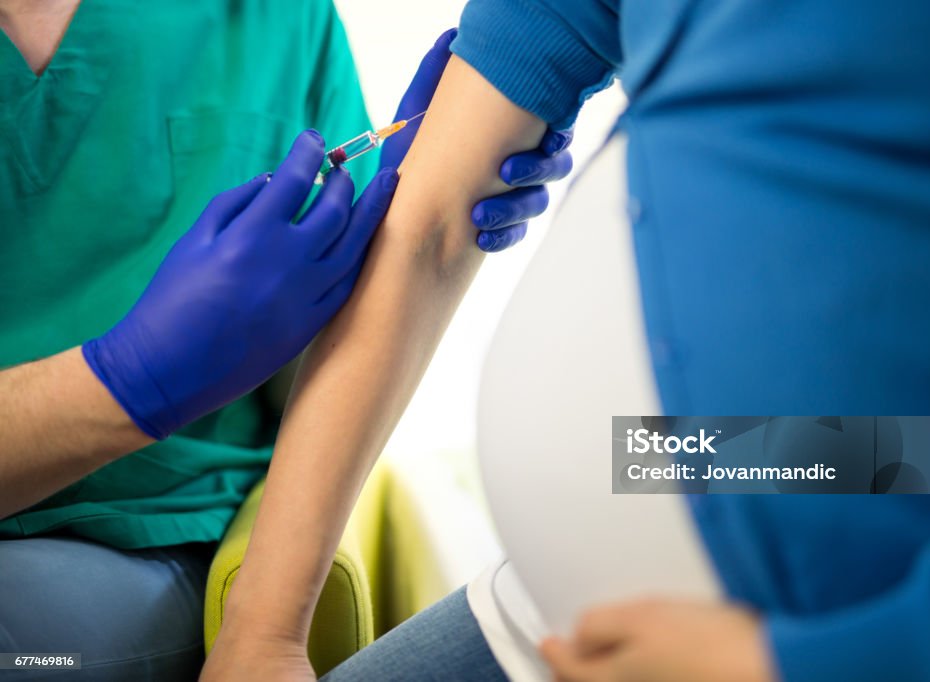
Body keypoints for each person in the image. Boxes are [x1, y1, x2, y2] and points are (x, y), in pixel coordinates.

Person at [203, 2, 930, 682]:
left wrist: (793, 664)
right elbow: (428, 222)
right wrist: (262, 634)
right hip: (560, 612)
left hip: (881, 614)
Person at [0, 1, 570, 678]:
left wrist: (265, 631)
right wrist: (125, 379)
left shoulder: (279, 20)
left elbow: (422, 236)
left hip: (150, 538)